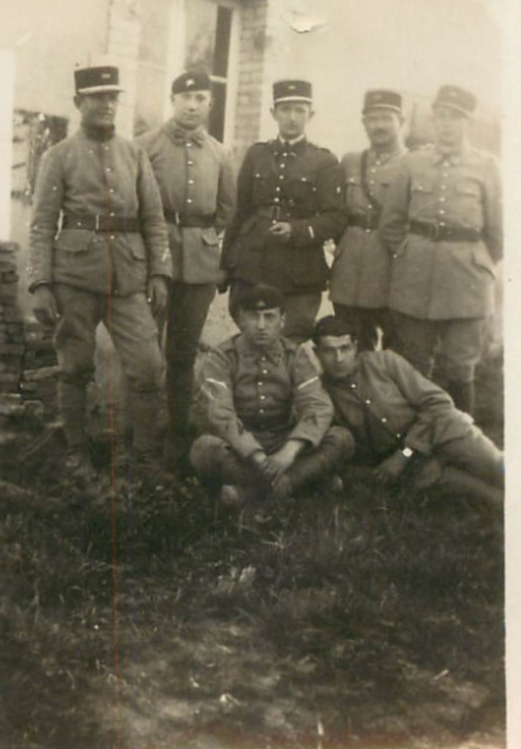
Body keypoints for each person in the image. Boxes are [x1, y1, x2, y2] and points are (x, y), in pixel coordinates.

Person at [28, 64, 172, 489]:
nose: (107, 104)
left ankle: (143, 458)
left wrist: (160, 273)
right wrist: (40, 284)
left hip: (128, 278)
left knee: (148, 367)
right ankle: (76, 454)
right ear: (79, 103)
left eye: (113, 97)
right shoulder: (59, 157)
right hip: (74, 277)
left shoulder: (135, 155)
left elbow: (155, 220)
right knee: (74, 366)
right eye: (97, 97)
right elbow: (41, 226)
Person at [379, 84, 502, 414]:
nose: (447, 125)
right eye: (442, 117)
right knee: (416, 364)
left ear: (469, 123)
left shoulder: (487, 168)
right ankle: (416, 448)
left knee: (460, 368)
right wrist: (410, 253)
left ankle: (463, 446)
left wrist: (472, 261)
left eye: (456, 118)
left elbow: (498, 234)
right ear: (433, 120)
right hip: (415, 278)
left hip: (467, 284)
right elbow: (390, 223)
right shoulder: (412, 163)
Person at [137, 69, 236, 471]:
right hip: (154, 261)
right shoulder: (146, 147)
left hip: (199, 264)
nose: (192, 106)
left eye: (201, 99)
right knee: (146, 352)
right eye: (185, 98)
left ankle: (178, 433)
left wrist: (205, 238)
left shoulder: (220, 152)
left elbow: (228, 208)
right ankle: (141, 434)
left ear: (210, 105)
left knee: (182, 352)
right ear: (173, 101)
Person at [312, 315, 503, 507]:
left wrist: (404, 454)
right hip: (417, 468)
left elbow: (438, 402)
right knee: (493, 500)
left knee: (502, 471)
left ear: (355, 347)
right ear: (316, 353)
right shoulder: (321, 394)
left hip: (445, 433)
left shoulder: (385, 362)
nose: (338, 358)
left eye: (344, 348)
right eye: (329, 351)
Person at [190, 284, 354, 507]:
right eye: (253, 317)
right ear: (240, 320)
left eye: (269, 317)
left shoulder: (294, 355)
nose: (261, 326)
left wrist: (289, 452)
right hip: (241, 449)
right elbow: (221, 413)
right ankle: (296, 483)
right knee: (204, 450)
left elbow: (317, 405)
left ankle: (250, 493)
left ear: (282, 320)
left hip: (284, 440)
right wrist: (255, 454)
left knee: (341, 438)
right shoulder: (222, 357)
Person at [220, 79, 345, 343]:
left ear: (310, 115)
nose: (292, 117)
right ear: (273, 114)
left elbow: (335, 217)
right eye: (285, 109)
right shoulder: (257, 154)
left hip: (298, 269)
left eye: (299, 110)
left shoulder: (324, 161)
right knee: (251, 333)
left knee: (291, 339)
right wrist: (226, 264)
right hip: (254, 261)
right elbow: (239, 212)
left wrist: (297, 230)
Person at [329, 89, 406, 350]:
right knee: (350, 341)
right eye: (372, 119)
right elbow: (339, 214)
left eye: (386, 118)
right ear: (364, 124)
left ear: (401, 122)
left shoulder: (413, 164)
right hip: (349, 267)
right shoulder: (350, 161)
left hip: (390, 266)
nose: (379, 125)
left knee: (395, 345)